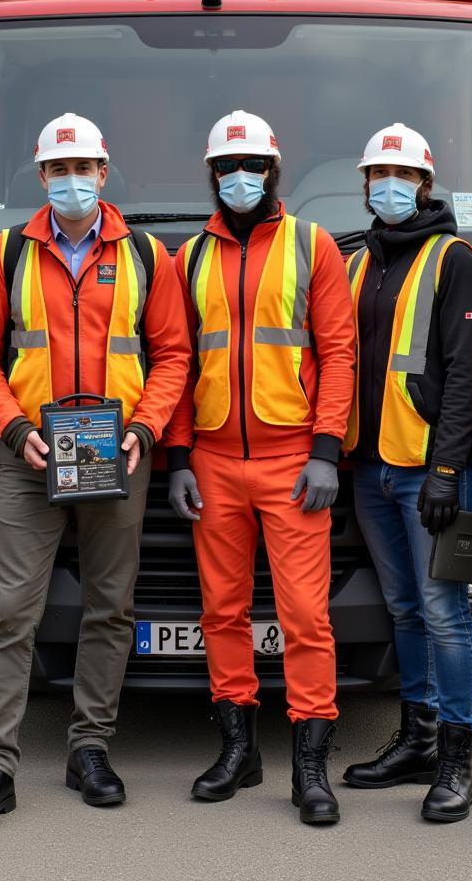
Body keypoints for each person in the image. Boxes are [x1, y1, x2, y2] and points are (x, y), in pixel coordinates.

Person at [0, 113, 190, 827]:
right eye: (59, 169)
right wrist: (15, 427)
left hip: (115, 454)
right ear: (42, 175)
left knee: (110, 607)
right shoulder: (6, 254)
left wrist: (145, 427)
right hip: (29, 458)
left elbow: (174, 354)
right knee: (10, 611)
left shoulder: (146, 254)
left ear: (103, 173)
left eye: (83, 168)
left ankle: (90, 747)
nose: (72, 180)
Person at [166, 111, 355, 826]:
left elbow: (338, 354)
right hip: (214, 462)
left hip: (291, 462)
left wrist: (327, 450)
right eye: (225, 166)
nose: (238, 177)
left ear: (273, 170)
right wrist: (179, 457)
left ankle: (310, 768)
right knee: (222, 611)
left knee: (306, 616)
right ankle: (239, 752)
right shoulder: (188, 258)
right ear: (212, 175)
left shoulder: (313, 247)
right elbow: (178, 364)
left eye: (250, 164)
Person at [340, 124, 472, 824]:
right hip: (370, 468)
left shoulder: (454, 259)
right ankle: (418, 739)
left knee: (444, 614)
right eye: (377, 175)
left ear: (425, 186)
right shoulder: (362, 260)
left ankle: (457, 761)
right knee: (405, 608)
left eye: (401, 175)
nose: (388, 186)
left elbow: (466, 376)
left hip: (429, 471)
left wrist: (449, 467)